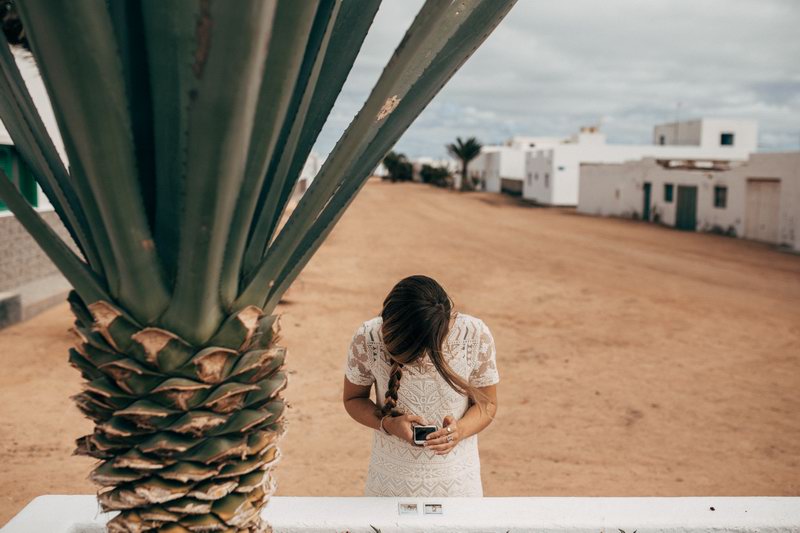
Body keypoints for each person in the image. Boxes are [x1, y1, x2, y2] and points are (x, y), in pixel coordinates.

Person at [342, 275, 499, 496]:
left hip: (457, 483)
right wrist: (388, 424)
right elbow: (353, 399)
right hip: (391, 482)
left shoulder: (475, 334)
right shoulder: (368, 338)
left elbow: (488, 404)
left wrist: (459, 431)